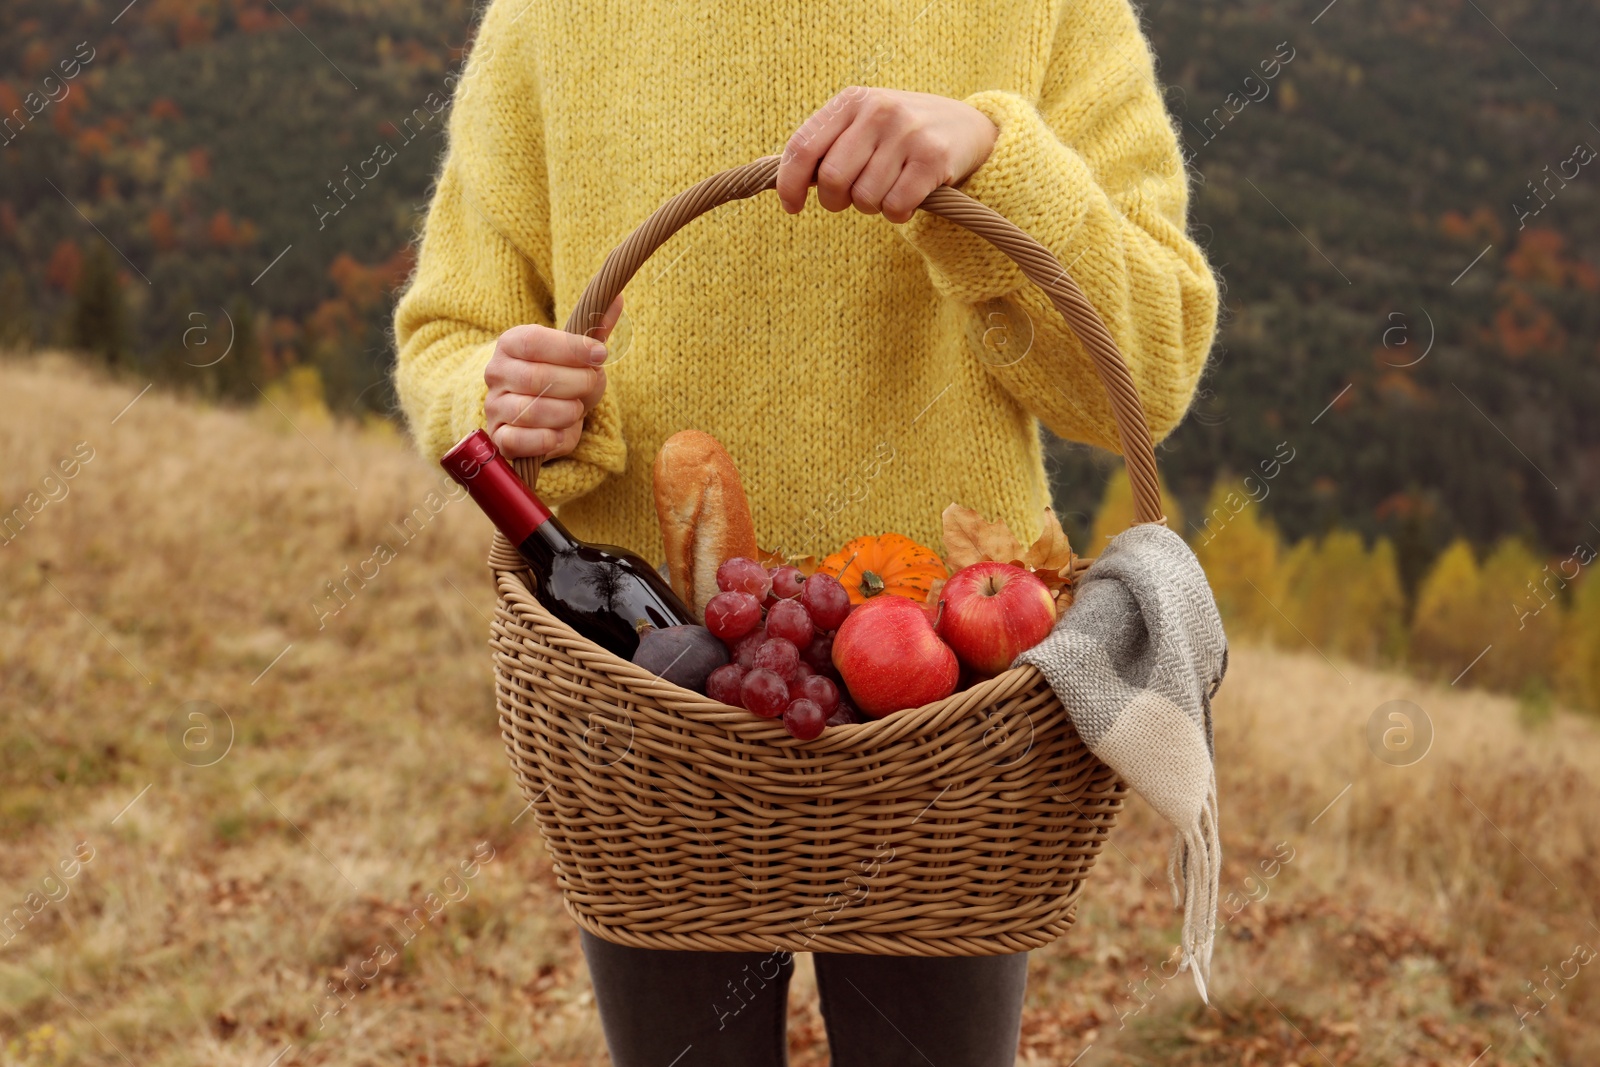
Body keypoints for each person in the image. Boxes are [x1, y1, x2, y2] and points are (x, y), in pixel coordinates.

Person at [393, 0, 1219, 1062]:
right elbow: (450, 331)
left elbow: (1143, 379)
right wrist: (496, 396)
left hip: (953, 694)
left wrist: (996, 156)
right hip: (645, 683)